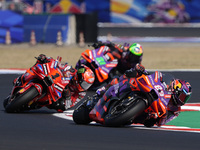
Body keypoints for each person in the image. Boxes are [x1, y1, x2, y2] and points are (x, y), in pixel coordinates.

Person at [94, 63, 192, 127]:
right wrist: (142, 72)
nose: (183, 100)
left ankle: (121, 114)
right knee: (129, 76)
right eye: (182, 96)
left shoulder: (175, 110)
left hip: (146, 114)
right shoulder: (167, 84)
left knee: (142, 121)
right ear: (176, 89)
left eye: (185, 98)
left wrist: (156, 118)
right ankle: (105, 89)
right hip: (148, 91)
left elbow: (162, 122)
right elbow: (156, 77)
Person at [20, 54, 95, 112]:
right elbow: (57, 65)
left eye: (87, 85)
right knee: (40, 63)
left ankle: (33, 102)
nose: (84, 87)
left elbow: (71, 104)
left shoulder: (81, 93)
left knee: (59, 107)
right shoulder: (70, 70)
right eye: (84, 84)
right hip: (52, 81)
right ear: (79, 77)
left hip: (57, 97)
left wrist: (67, 96)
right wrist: (47, 59)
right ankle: (24, 78)